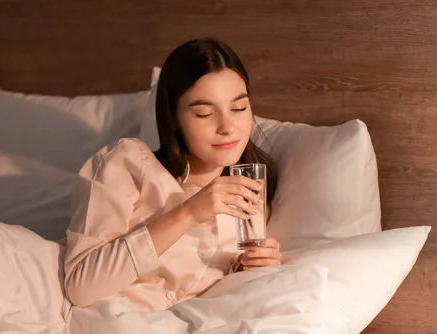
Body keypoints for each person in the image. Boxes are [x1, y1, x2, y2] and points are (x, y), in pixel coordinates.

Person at [63, 38, 281, 312]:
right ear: (174, 117)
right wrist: (188, 213)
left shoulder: (252, 188)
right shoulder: (127, 163)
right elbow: (81, 287)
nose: (228, 126)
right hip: (111, 328)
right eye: (204, 113)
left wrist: (251, 271)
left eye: (239, 108)